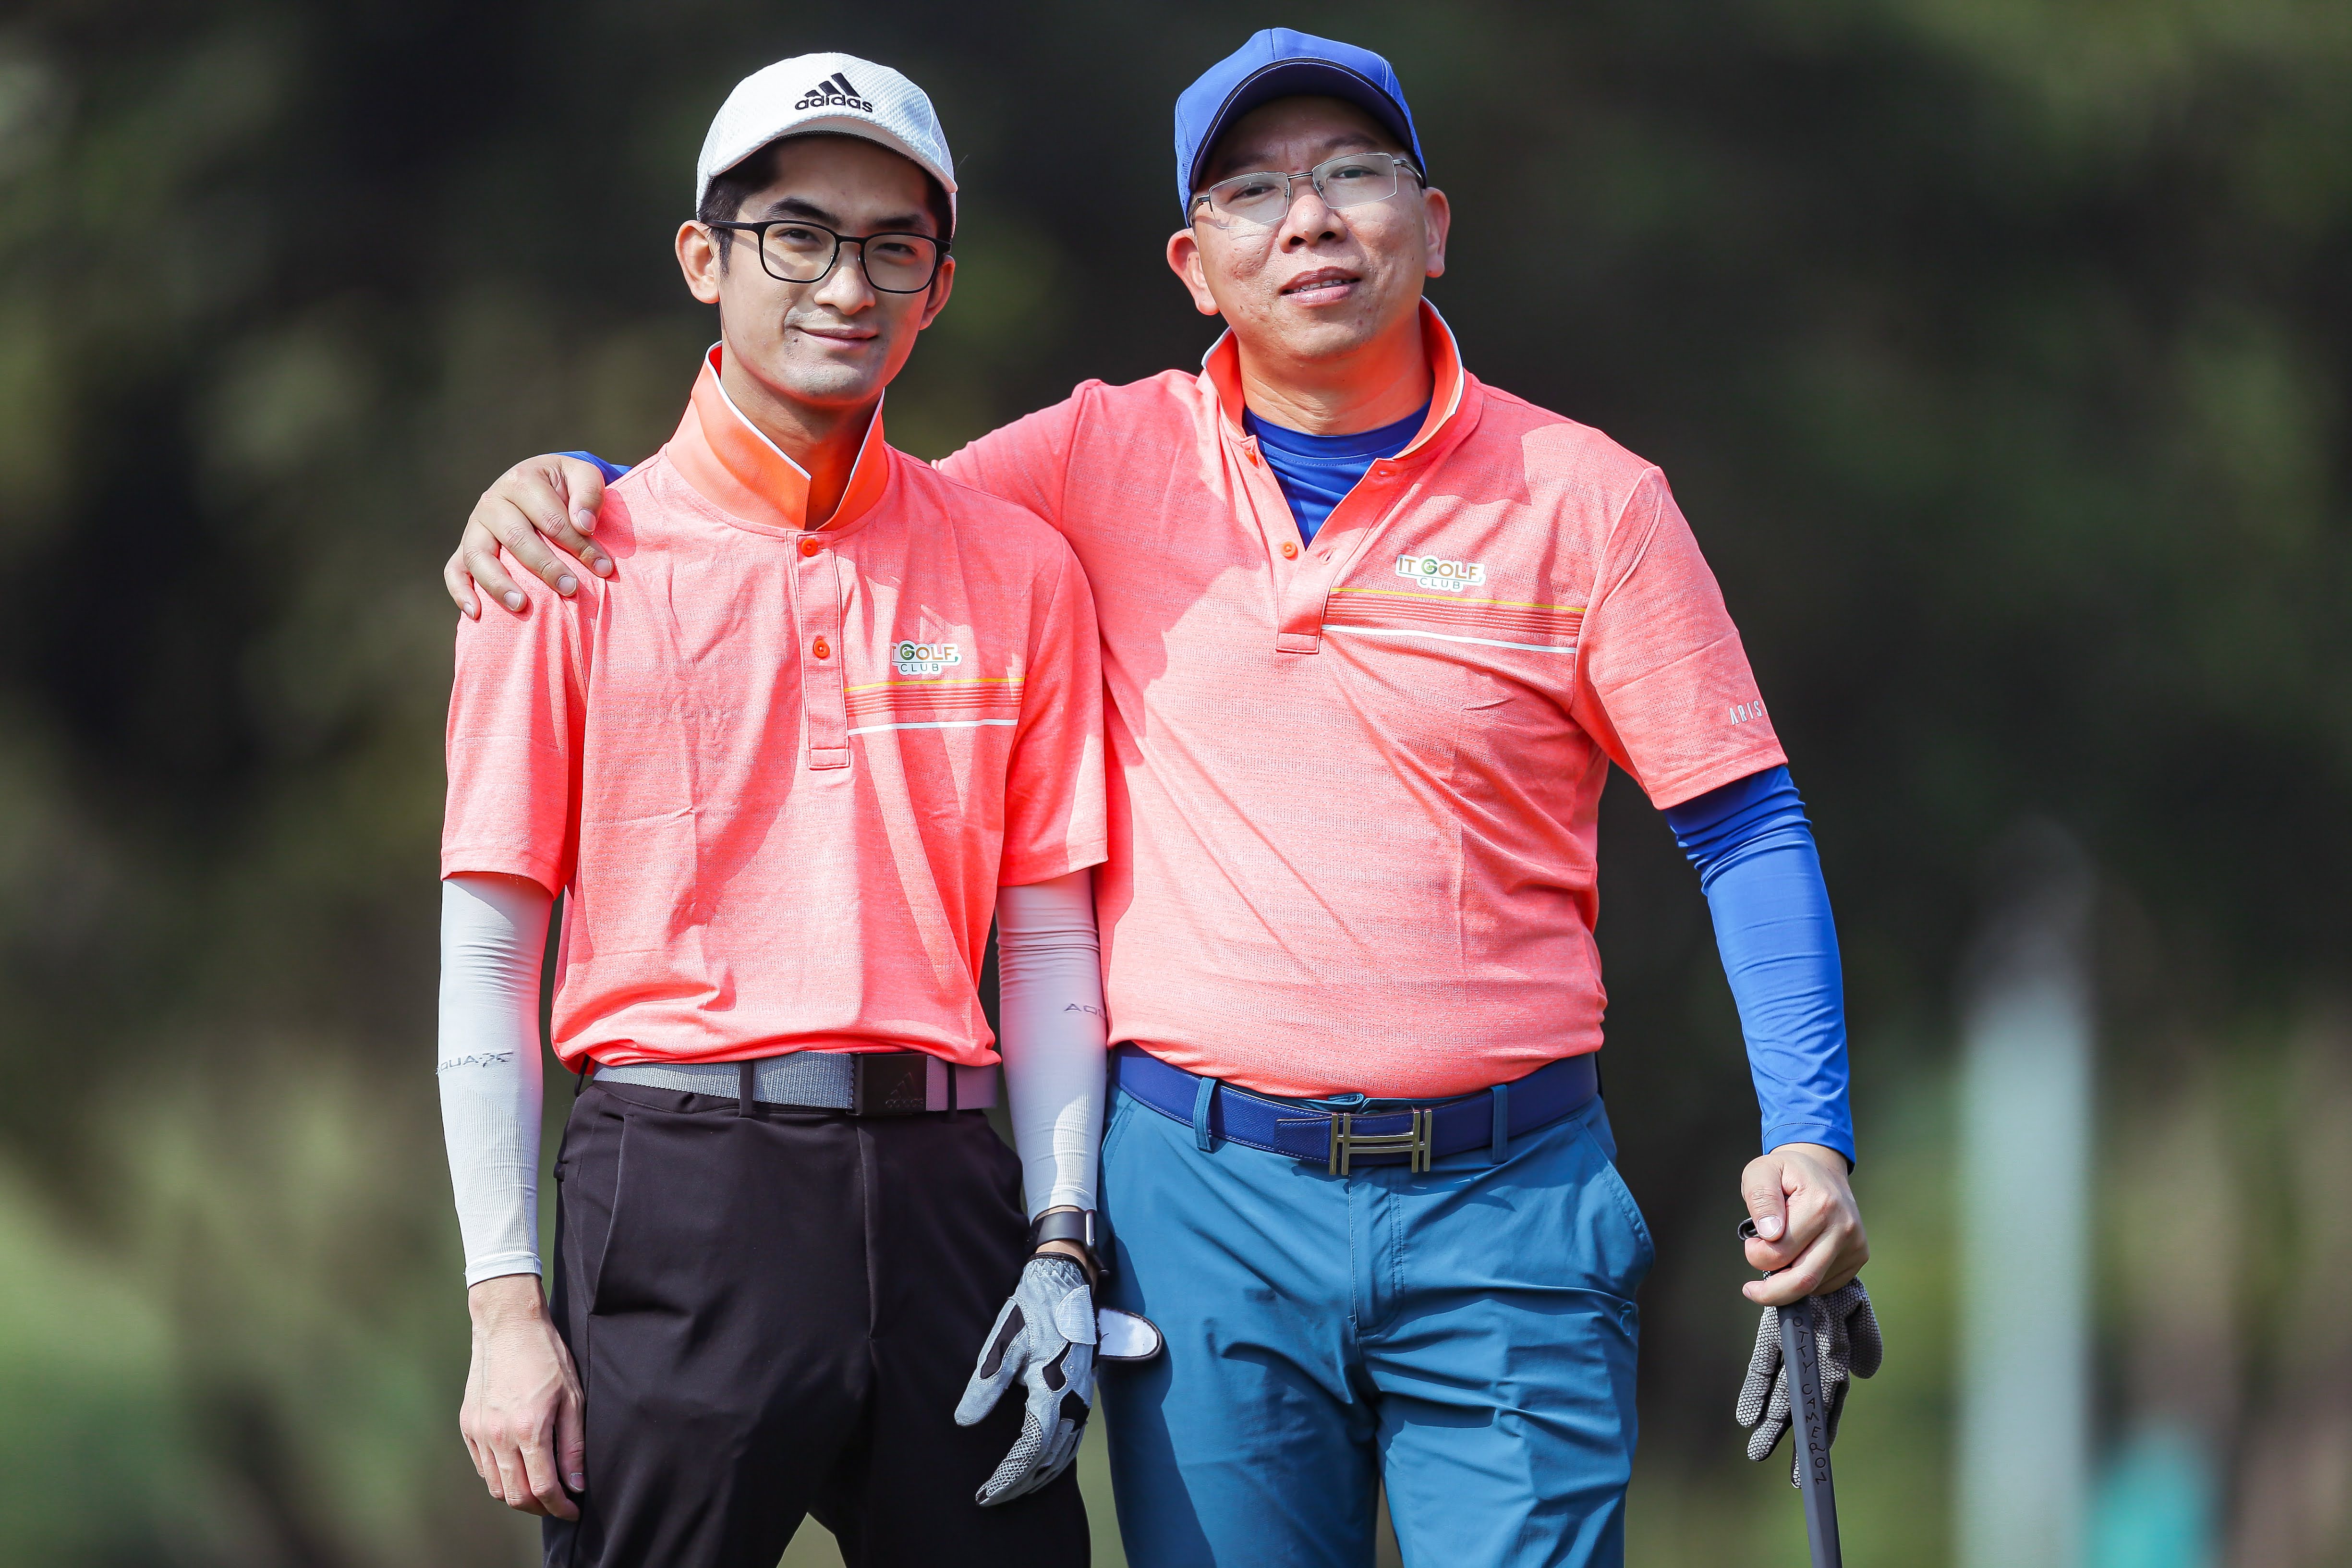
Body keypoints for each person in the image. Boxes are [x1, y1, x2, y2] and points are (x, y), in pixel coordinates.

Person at [446, 29, 1872, 1568]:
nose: (1308, 219)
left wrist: (1810, 1135)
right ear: (1194, 266)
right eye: (1252, 192)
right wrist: (581, 482)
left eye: (1350, 174)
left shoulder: (1590, 500)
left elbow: (1743, 827)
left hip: (1509, 1198)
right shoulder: (1088, 461)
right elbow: (815, 493)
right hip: (1201, 1207)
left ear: (1433, 222)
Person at [434, 53, 1110, 1568]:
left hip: (953, 1200)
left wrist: (1061, 1235)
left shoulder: (1018, 569)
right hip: (680, 1183)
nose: (845, 286)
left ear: (937, 288)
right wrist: (503, 1305)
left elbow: (1047, 941)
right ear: (705, 257)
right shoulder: (559, 563)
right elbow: (487, 957)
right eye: (797, 235)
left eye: (892, 248)